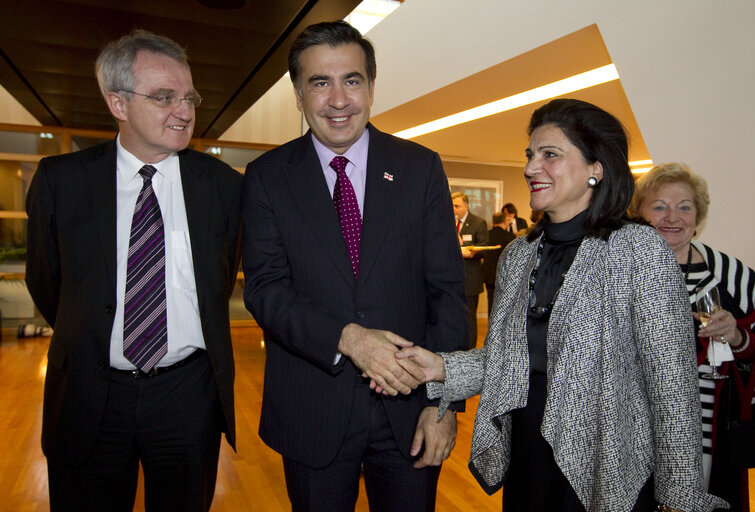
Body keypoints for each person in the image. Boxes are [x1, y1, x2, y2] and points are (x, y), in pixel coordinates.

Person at [394, 99, 728, 511]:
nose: (532, 168)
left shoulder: (639, 249)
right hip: (529, 454)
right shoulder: (519, 255)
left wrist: (680, 496)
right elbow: (513, 356)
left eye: (550, 155)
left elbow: (672, 386)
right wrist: (442, 367)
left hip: (607, 464)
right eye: (531, 156)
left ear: (596, 168)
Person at [241, 20, 468, 512]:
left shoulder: (420, 167)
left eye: (352, 80)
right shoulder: (266, 178)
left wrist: (444, 403)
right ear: (298, 95)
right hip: (311, 410)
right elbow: (267, 291)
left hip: (411, 412)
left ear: (370, 86)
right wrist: (349, 338)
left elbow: (448, 291)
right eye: (320, 83)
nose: (338, 100)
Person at [25, 30, 242, 511]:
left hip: (187, 397)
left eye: (188, 97)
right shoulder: (61, 182)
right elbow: (47, 283)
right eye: (164, 97)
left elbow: (218, 282)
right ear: (118, 103)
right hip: (88, 395)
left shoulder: (224, 188)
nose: (184, 111)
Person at [632, 162, 755, 511]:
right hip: (632, 436)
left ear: (698, 215)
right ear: (641, 213)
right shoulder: (620, 273)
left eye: (684, 207)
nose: (672, 217)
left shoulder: (735, 280)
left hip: (708, 438)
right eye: (659, 206)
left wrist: (738, 338)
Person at [453, 191, 489, 348]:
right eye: (452, 205)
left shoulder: (478, 223)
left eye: (457, 206)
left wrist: (465, 248)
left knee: (469, 318)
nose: (453, 209)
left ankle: (470, 350)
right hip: (452, 278)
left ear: (466, 206)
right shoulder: (448, 222)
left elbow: (484, 248)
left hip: (470, 278)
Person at [483, 211, 515, 313]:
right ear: (505, 221)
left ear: (493, 222)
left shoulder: (487, 235)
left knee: (491, 302)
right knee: (503, 304)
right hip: (504, 274)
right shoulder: (510, 237)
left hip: (489, 274)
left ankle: (490, 325)